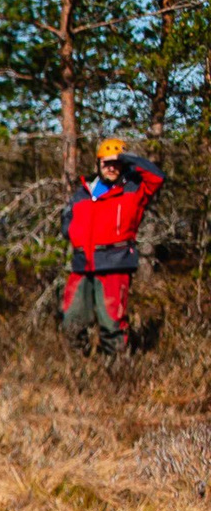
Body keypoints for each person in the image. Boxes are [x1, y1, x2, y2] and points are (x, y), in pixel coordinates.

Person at [62, 138, 164, 357]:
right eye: (106, 162)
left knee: (112, 324)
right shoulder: (84, 192)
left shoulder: (133, 189)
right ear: (98, 164)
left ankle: (117, 374)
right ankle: (80, 370)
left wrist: (127, 157)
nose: (111, 167)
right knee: (71, 321)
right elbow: (69, 217)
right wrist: (68, 227)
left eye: (115, 163)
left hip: (115, 264)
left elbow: (157, 177)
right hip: (82, 265)